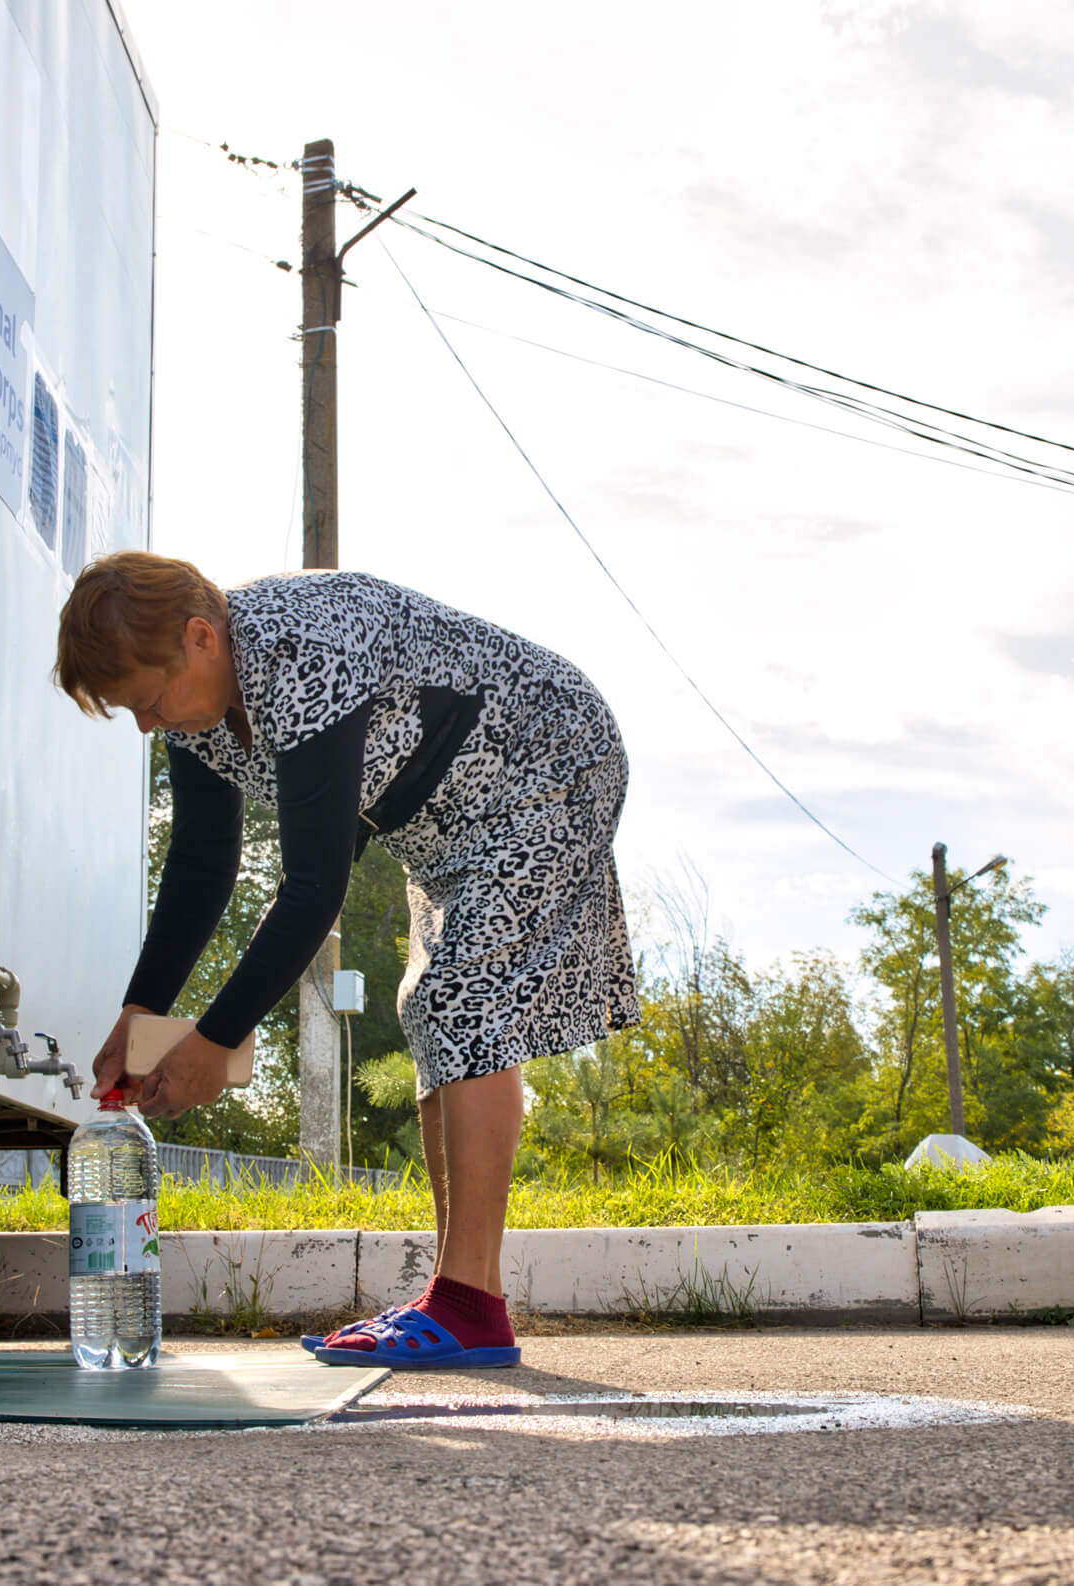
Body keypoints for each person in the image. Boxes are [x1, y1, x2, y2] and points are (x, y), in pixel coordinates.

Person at [54, 552, 639, 1369]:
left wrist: (214, 1040)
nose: (148, 727)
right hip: (449, 821)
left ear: (199, 639)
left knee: (459, 1001)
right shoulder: (199, 705)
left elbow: (313, 889)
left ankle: (469, 1305)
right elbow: (200, 865)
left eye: (148, 702)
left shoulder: (301, 647)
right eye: (132, 715)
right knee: (432, 1011)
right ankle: (456, 1297)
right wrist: (140, 1012)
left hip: (547, 763)